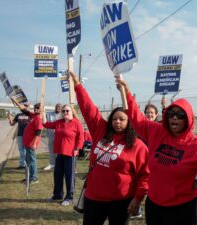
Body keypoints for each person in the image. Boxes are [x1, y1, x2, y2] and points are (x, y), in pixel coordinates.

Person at [115, 75, 197, 225]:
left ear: (189, 118)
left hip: (184, 206)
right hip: (155, 203)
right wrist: (126, 91)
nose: (175, 118)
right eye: (171, 114)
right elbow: (136, 117)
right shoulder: (157, 132)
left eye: (180, 115)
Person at [69, 71, 149, 225]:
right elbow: (88, 108)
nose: (117, 122)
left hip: (121, 201)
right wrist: (77, 85)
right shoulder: (101, 131)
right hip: (94, 197)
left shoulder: (137, 146)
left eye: (122, 119)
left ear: (129, 122)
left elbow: (145, 176)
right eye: (114, 119)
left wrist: (138, 198)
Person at [42, 104, 84, 206]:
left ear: (72, 112)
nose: (65, 112)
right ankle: (57, 195)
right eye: (63, 111)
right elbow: (46, 124)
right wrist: (42, 113)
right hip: (60, 153)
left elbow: (81, 137)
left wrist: (77, 149)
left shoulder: (76, 123)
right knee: (57, 175)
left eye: (67, 111)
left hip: (70, 154)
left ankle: (69, 197)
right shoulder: (59, 122)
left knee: (69, 176)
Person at [11, 99, 43, 184]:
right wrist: (16, 102)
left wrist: (33, 143)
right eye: (35, 107)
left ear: (42, 109)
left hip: (31, 144)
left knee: (32, 161)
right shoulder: (33, 116)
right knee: (28, 161)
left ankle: (34, 178)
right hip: (27, 143)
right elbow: (23, 110)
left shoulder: (38, 119)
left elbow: (38, 132)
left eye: (38, 108)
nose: (36, 109)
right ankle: (30, 177)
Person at [8, 103, 30, 169]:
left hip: (28, 135)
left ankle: (26, 164)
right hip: (20, 135)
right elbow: (12, 124)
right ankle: (21, 165)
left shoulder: (30, 115)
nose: (25, 107)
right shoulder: (18, 115)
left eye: (27, 106)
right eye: (24, 105)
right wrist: (10, 118)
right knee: (21, 150)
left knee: (26, 151)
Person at [44, 103, 62, 171]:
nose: (58, 108)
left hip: (59, 136)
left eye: (59, 107)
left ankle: (58, 165)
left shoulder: (62, 115)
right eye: (57, 106)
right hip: (51, 136)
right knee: (51, 151)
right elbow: (42, 118)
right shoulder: (49, 114)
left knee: (58, 151)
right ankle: (52, 164)